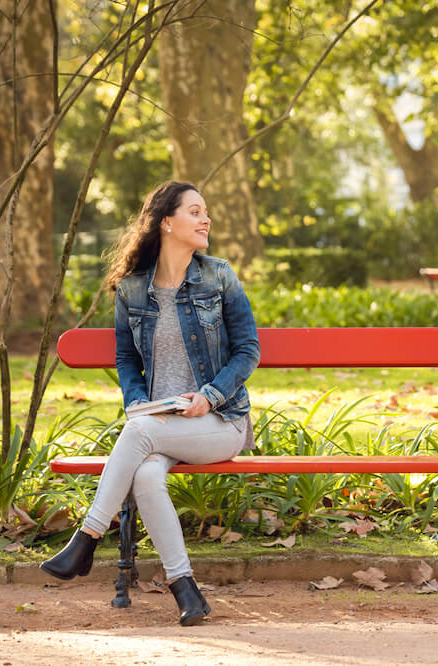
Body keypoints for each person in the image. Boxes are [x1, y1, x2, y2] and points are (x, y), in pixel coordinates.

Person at [41, 181, 260, 626]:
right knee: (144, 474)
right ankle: (186, 590)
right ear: (166, 222)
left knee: (139, 434)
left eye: (206, 212)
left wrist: (210, 395)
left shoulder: (218, 275)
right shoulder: (132, 289)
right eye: (195, 212)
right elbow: (126, 358)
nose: (205, 219)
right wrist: (138, 401)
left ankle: (86, 539)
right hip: (160, 425)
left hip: (221, 423)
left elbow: (248, 350)